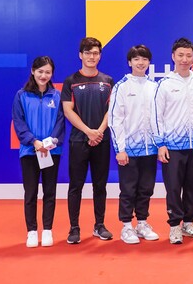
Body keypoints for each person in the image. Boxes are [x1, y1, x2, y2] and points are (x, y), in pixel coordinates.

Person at [153, 37, 193, 244]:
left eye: (188, 55)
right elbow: (157, 115)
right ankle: (175, 226)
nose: (185, 59)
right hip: (172, 146)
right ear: (173, 57)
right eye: (181, 55)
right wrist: (160, 144)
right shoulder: (164, 84)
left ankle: (189, 223)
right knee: (174, 187)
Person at [62, 37, 114, 244]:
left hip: (102, 140)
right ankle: (74, 228)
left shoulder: (108, 81)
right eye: (88, 53)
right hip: (78, 141)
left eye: (95, 53)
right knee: (76, 185)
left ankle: (99, 225)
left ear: (100, 56)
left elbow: (112, 111)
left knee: (100, 185)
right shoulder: (71, 81)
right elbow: (68, 110)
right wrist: (88, 132)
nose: (92, 56)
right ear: (80, 55)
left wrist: (99, 131)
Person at [12, 56, 65, 248]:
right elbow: (19, 122)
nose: (44, 75)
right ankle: (32, 231)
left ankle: (47, 230)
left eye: (48, 72)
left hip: (52, 151)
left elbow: (60, 122)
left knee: (50, 192)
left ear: (52, 74)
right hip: (29, 151)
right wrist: (33, 141)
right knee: (31, 192)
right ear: (33, 71)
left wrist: (51, 141)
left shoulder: (57, 95)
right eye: (40, 71)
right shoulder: (21, 95)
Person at [109, 45, 160, 244]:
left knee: (146, 188)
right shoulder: (121, 86)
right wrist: (120, 149)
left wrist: (159, 144)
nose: (141, 63)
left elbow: (159, 118)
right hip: (129, 150)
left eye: (144, 59)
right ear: (129, 62)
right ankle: (126, 226)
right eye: (136, 59)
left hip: (151, 149)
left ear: (149, 62)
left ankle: (142, 223)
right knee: (128, 189)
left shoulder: (155, 86)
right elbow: (115, 119)